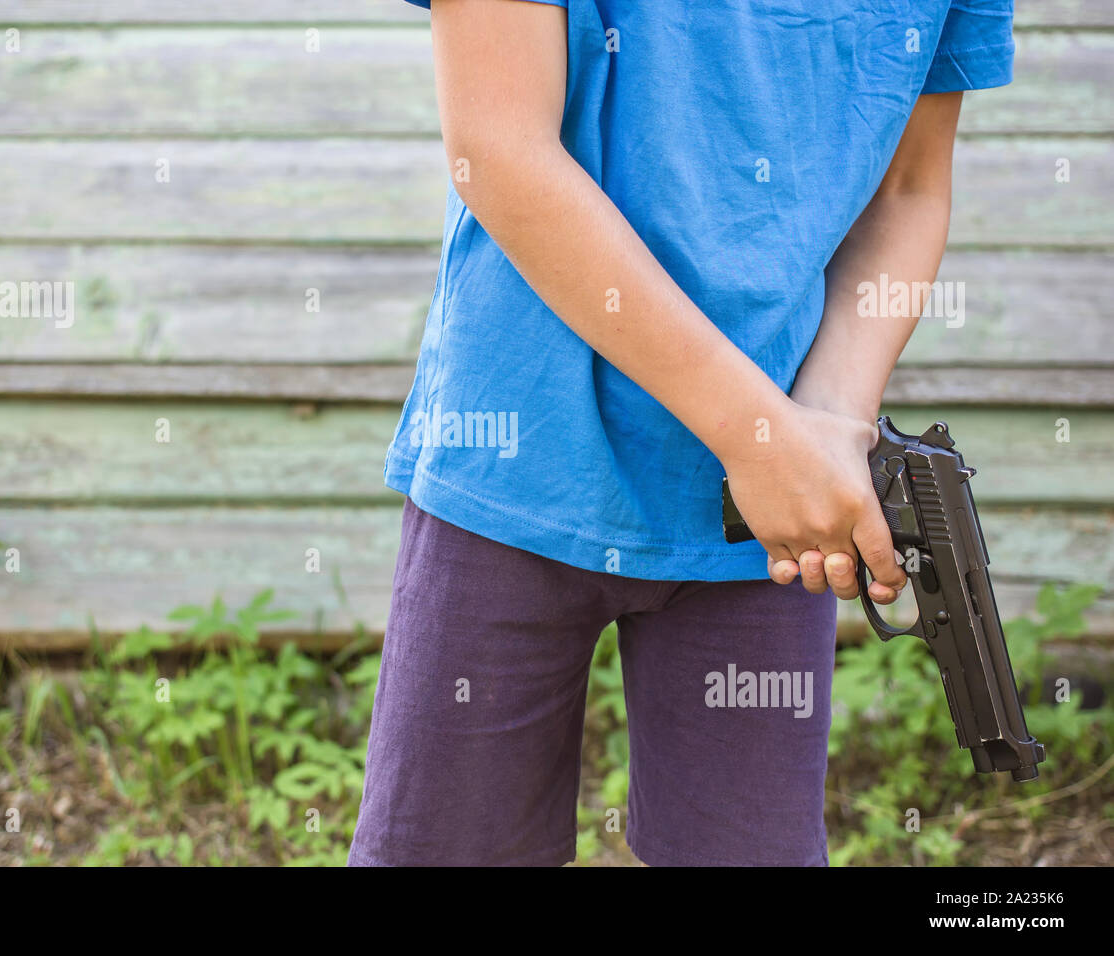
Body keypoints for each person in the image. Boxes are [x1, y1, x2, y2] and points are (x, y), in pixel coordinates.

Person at [348, 0, 1015, 866]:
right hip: (520, 461)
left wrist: (827, 424)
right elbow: (500, 147)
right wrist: (762, 436)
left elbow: (909, 186)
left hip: (764, 516)